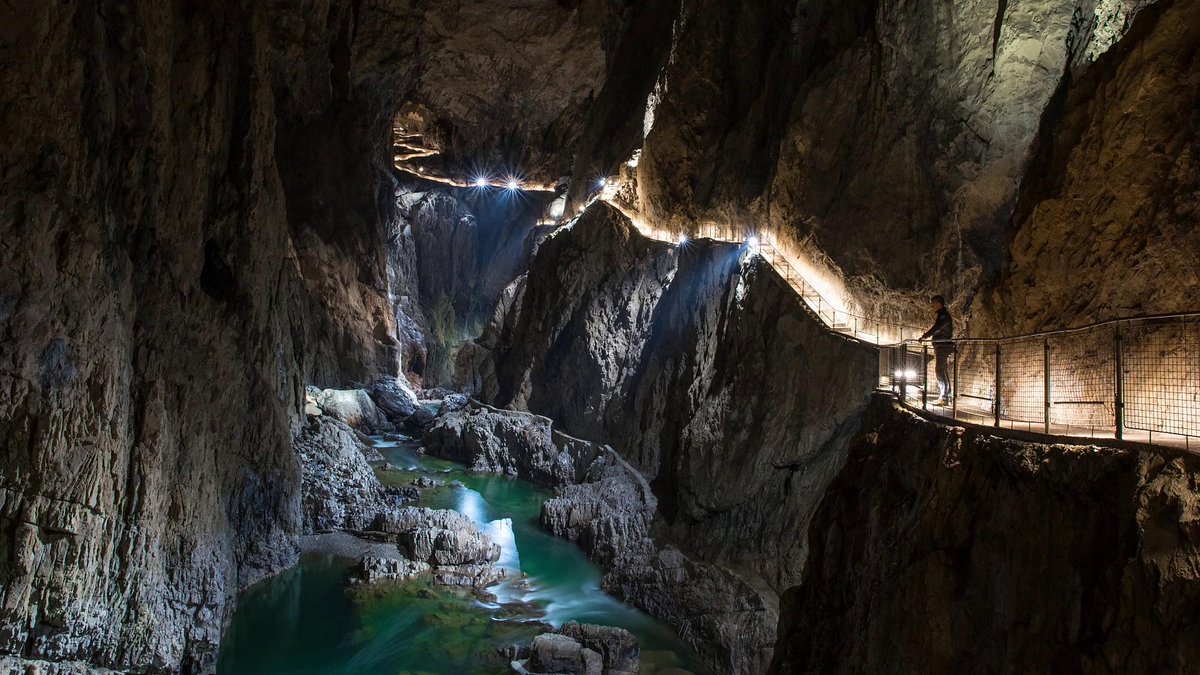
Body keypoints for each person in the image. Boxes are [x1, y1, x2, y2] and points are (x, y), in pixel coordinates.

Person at [920, 295, 954, 406]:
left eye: (933, 303)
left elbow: (937, 328)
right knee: (942, 370)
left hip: (942, 346)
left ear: (939, 303)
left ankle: (944, 397)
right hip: (941, 345)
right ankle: (945, 396)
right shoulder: (942, 315)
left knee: (940, 371)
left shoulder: (943, 315)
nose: (932, 306)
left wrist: (925, 336)